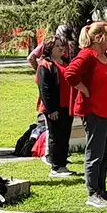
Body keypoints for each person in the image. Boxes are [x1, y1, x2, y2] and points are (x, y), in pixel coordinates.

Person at [66, 22, 107, 207]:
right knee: (95, 154)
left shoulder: (105, 56)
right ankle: (92, 193)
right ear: (98, 38)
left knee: (105, 154)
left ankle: (102, 190)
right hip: (95, 111)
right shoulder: (87, 56)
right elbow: (70, 74)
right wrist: (83, 88)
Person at [36, 38, 75, 177]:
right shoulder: (45, 65)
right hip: (54, 107)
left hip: (67, 106)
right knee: (55, 136)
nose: (60, 48)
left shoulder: (66, 63)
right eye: (56, 46)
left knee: (65, 135)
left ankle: (62, 163)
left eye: (61, 46)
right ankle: (56, 167)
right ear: (49, 48)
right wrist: (51, 109)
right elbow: (44, 89)